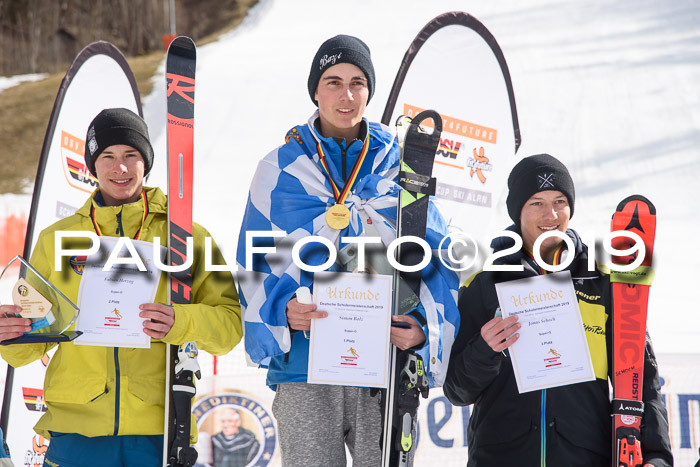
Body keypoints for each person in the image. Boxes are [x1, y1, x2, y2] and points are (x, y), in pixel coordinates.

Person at [236, 35, 459, 467]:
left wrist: (421, 329)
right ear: (315, 91)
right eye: (333, 81)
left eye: (358, 82)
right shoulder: (279, 168)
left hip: (385, 365)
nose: (347, 94)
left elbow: (437, 257)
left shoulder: (401, 167)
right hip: (303, 366)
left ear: (369, 92)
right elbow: (253, 261)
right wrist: (281, 311)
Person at [0, 108, 242, 467]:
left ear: (146, 161)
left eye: (131, 155)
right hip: (75, 429)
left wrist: (181, 321)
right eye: (108, 157)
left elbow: (230, 327)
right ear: (92, 166)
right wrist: (11, 332)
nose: (121, 168)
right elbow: (30, 343)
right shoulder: (58, 240)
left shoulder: (189, 237)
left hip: (158, 428)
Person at [443, 154, 673, 466]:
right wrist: (484, 350)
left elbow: (640, 377)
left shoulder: (602, 281)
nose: (550, 214)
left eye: (559, 201)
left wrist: (657, 456)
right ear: (518, 211)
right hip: (500, 455)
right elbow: (457, 390)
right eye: (536, 202)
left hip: (582, 455)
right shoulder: (484, 280)